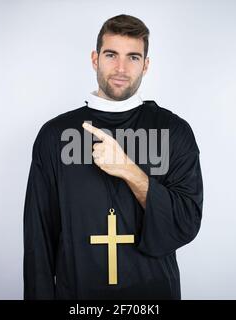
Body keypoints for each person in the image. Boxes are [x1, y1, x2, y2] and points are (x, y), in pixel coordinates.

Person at [23, 14, 203, 300]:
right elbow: (38, 238)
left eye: (133, 57)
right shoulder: (55, 135)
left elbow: (186, 222)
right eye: (111, 55)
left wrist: (129, 170)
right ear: (95, 59)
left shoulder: (173, 131)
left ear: (146, 65)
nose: (121, 68)